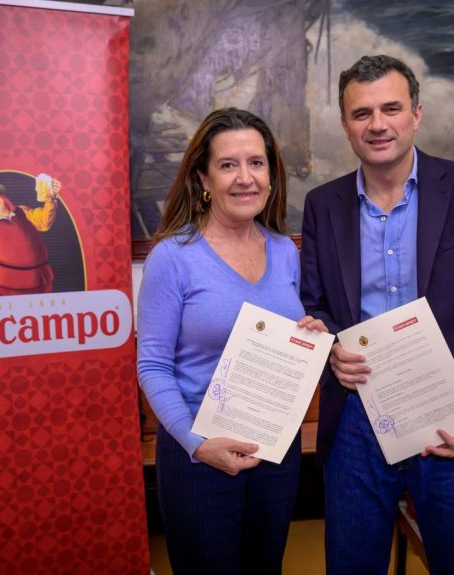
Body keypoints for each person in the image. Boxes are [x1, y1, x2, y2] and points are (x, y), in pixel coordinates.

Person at [300, 54, 454, 574]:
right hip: (355, 419)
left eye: (391, 108)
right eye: (362, 113)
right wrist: (331, 347)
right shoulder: (322, 205)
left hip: (451, 415)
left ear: (416, 114)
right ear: (345, 125)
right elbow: (315, 306)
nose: (377, 124)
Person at [137, 108, 327, 574]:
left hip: (274, 454)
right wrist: (196, 443)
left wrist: (311, 337)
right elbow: (153, 365)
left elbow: (289, 343)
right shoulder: (172, 257)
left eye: (256, 163)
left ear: (271, 175)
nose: (246, 178)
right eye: (228, 165)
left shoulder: (285, 251)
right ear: (203, 178)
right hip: (198, 457)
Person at [0, 177, 60, 296]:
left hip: (43, 279)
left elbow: (44, 221)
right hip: (10, 285)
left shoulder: (23, 212)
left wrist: (50, 199)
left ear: (4, 199)